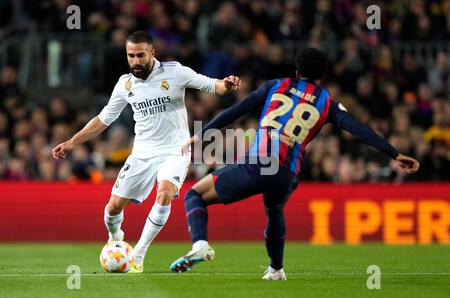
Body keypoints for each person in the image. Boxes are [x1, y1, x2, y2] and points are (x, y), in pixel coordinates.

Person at [169, 48, 420, 280]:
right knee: (274, 210)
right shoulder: (327, 103)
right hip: (287, 173)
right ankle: (276, 269)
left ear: (296, 72)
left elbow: (239, 109)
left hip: (260, 162)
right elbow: (358, 129)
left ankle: (200, 245)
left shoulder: (276, 85)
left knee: (195, 195)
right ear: (322, 77)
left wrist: (203, 133)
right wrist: (394, 154)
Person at [52, 31, 241, 273]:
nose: (136, 61)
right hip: (142, 154)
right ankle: (116, 236)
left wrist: (226, 84)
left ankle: (138, 256)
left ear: (152, 52)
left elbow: (211, 85)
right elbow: (103, 119)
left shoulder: (175, 72)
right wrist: (72, 141)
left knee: (164, 193)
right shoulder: (125, 84)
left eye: (141, 55)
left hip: (175, 151)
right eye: (131, 56)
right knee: (112, 209)